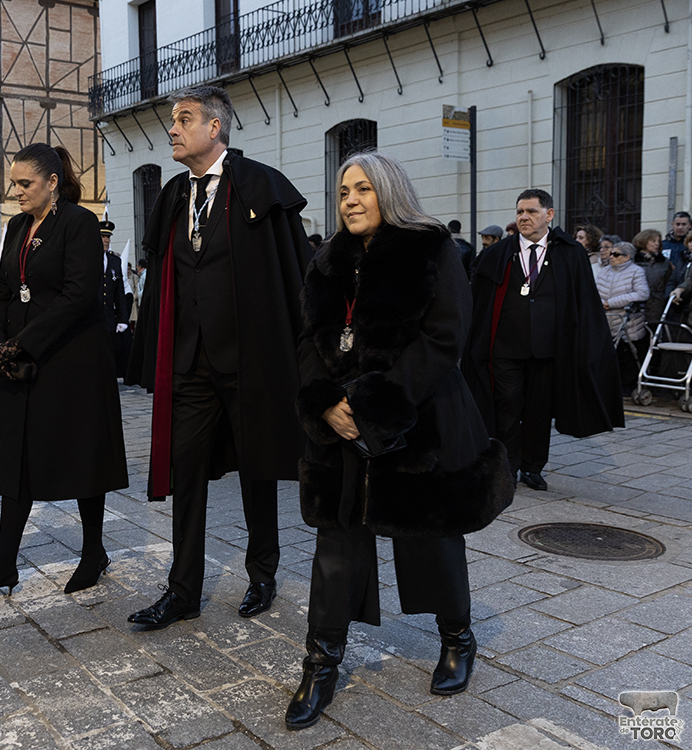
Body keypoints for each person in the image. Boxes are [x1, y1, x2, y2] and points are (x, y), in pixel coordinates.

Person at [286, 152, 514, 730]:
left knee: (431, 539)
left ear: (388, 191)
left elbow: (444, 338)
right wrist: (324, 403)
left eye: (363, 189)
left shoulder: (431, 248)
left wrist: (373, 406)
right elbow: (309, 340)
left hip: (420, 421)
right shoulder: (326, 261)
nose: (351, 200)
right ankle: (320, 664)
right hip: (340, 430)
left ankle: (458, 638)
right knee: (337, 548)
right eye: (344, 191)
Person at [125, 84, 313, 627]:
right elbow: (162, 280)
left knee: (258, 468)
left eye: (183, 119)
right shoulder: (172, 196)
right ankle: (182, 590)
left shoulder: (259, 185)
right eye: (172, 120)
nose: (172, 129)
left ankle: (262, 574)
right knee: (186, 472)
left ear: (215, 127)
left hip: (249, 360)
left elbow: (291, 274)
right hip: (189, 362)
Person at [0, 144, 128, 599]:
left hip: (72, 360)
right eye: (14, 183)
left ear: (52, 182)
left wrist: (23, 341)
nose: (18, 191)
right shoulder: (16, 226)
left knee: (83, 455)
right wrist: (0, 343)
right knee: (16, 458)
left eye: (25, 183)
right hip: (22, 361)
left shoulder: (79, 222)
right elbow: (2, 290)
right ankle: (3, 565)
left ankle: (93, 552)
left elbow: (78, 294)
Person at [463, 189, 623, 492]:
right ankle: (508, 466)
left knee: (538, 411)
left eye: (531, 211)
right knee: (507, 408)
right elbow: (477, 301)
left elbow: (584, 301)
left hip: (548, 350)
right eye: (520, 212)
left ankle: (533, 467)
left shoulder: (569, 252)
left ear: (549, 215)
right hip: (505, 349)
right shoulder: (498, 253)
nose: (524, 217)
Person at [597, 241, 650, 396]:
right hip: (606, 319)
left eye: (616, 254)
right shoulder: (605, 271)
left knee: (627, 354)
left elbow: (642, 293)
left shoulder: (636, 271)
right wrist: (602, 303)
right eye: (611, 253)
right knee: (606, 354)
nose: (611, 257)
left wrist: (612, 303)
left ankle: (628, 386)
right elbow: (593, 290)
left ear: (627, 257)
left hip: (628, 321)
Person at [99, 219, 132, 378]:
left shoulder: (114, 261)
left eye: (108, 237)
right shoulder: (89, 259)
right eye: (103, 237)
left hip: (109, 319)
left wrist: (122, 319)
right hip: (94, 318)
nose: (106, 240)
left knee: (110, 355)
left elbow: (119, 293)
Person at [633, 228, 672, 326]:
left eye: (658, 241)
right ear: (643, 241)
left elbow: (669, 281)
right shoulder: (634, 260)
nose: (657, 244)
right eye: (653, 241)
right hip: (637, 303)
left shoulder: (664, 262)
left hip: (657, 303)